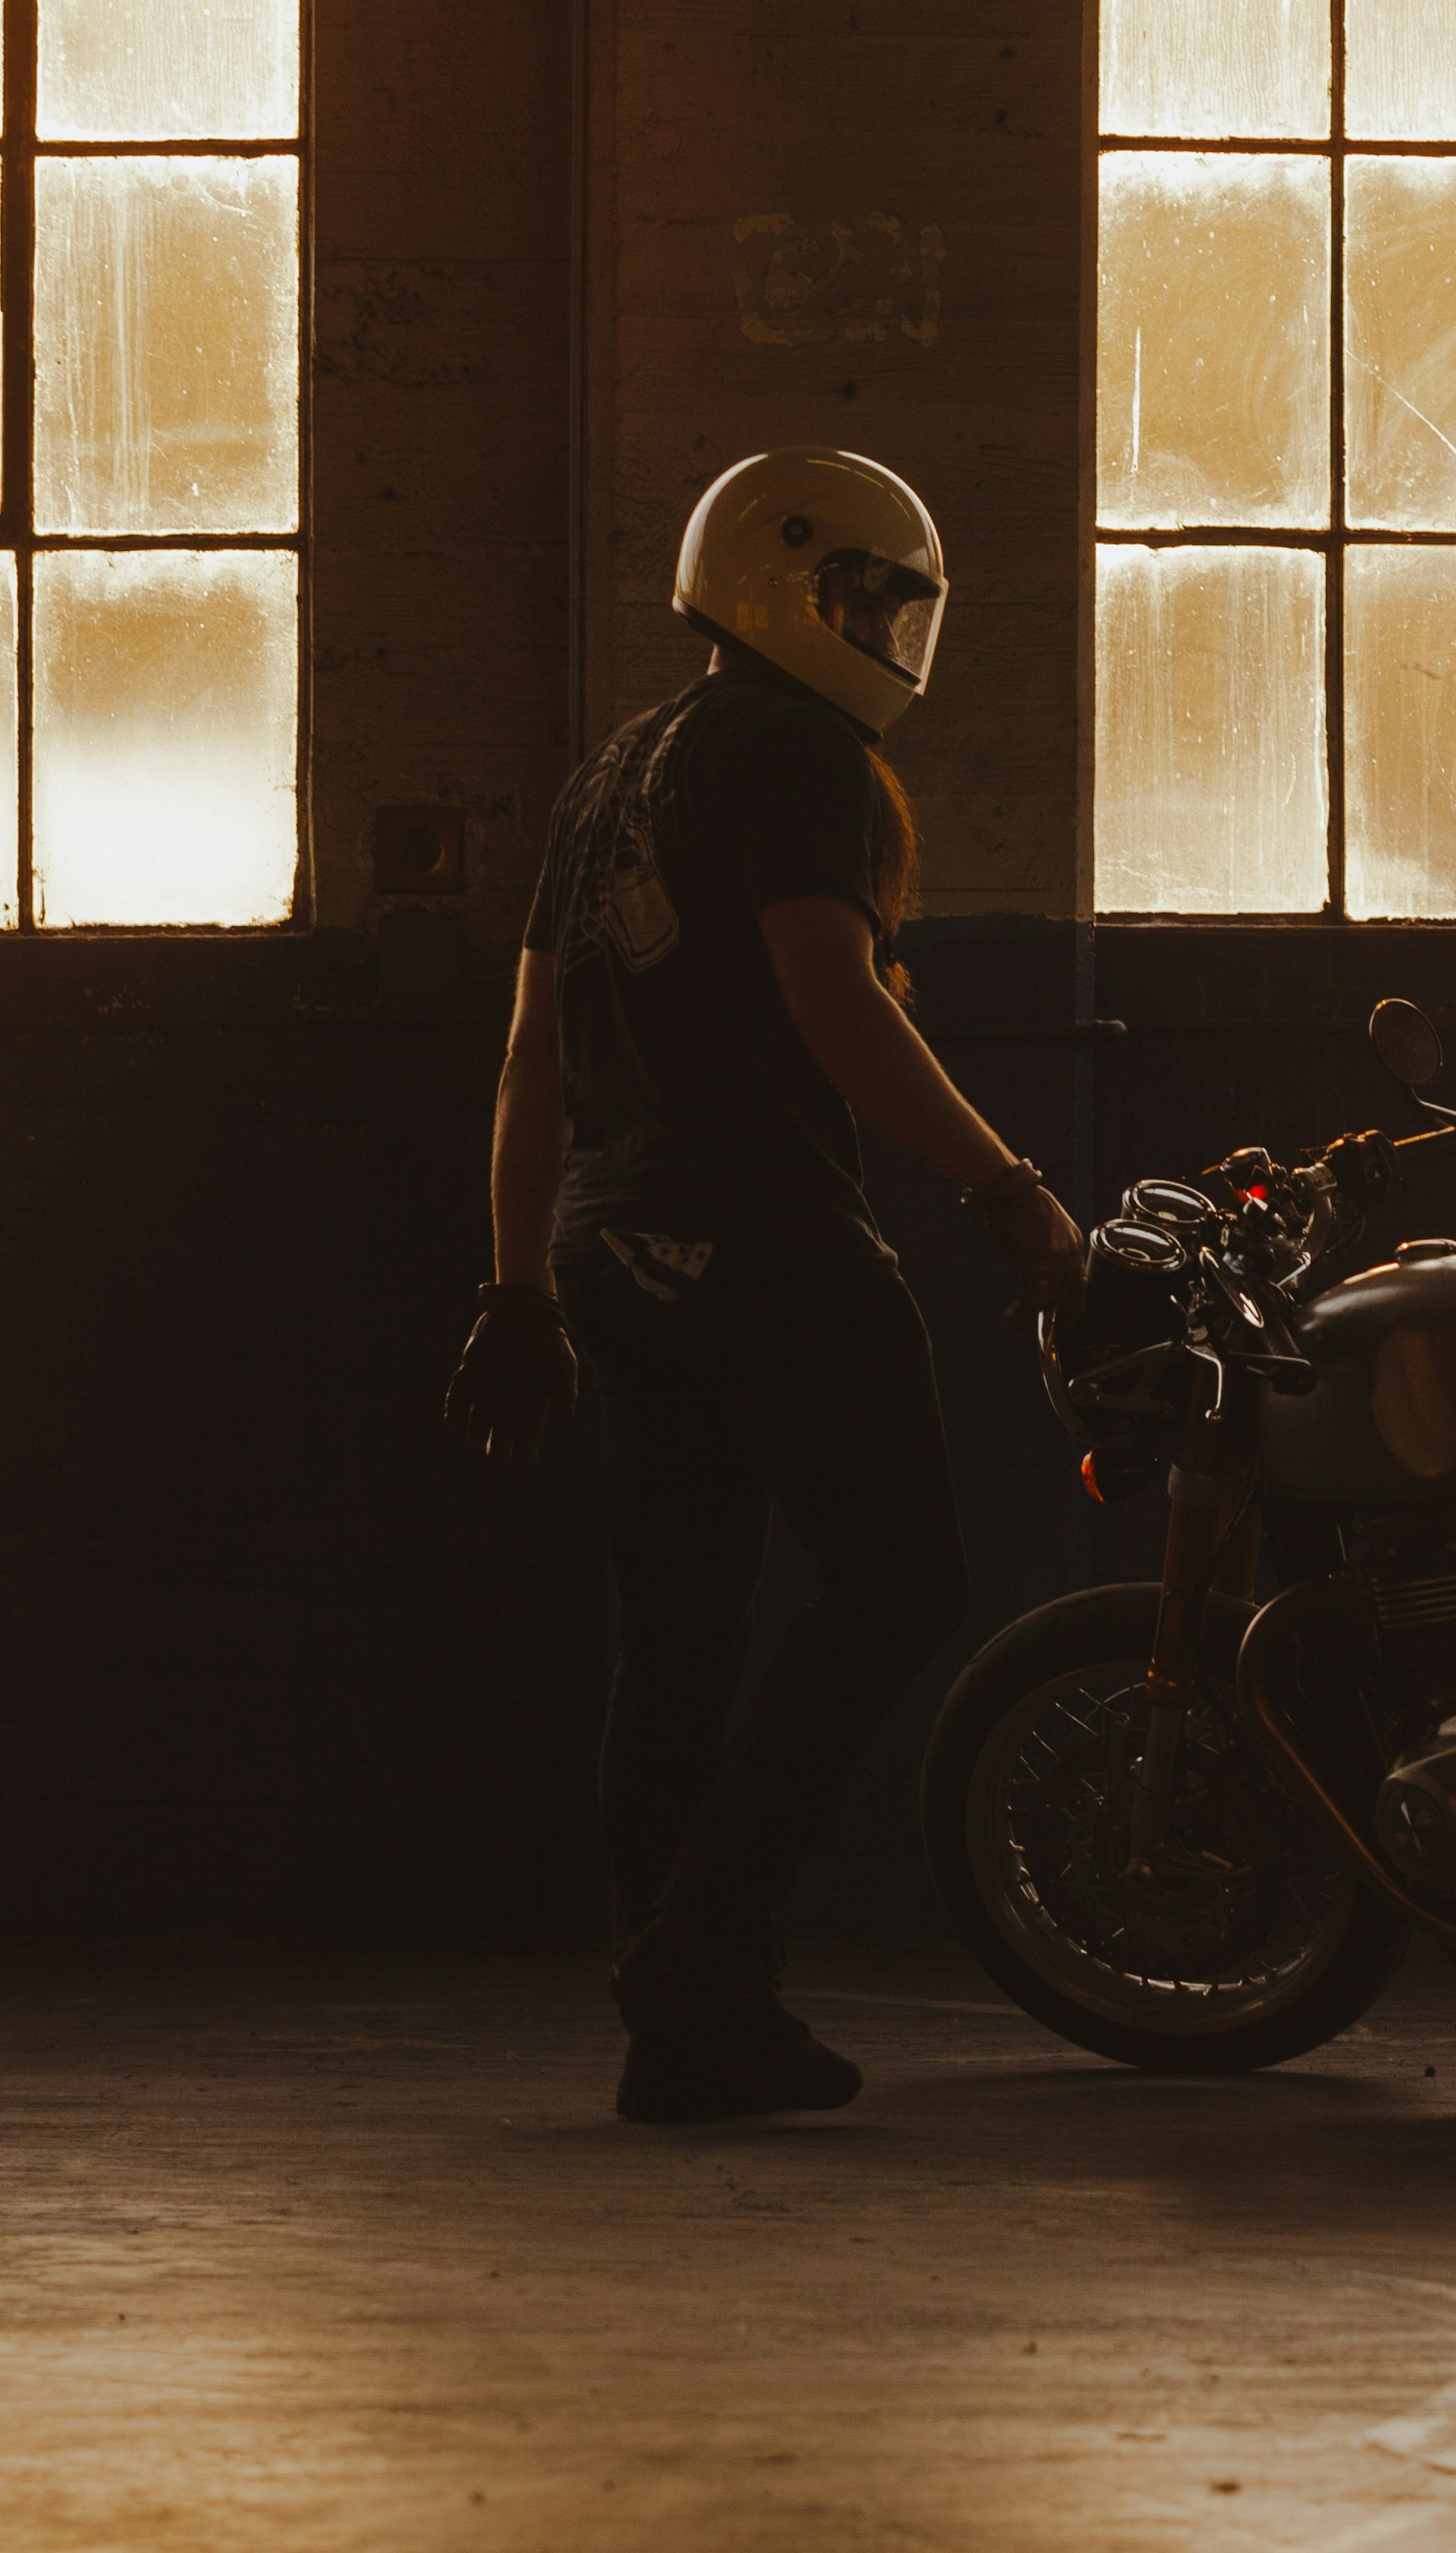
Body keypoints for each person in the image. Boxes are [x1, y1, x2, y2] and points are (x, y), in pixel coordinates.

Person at [445, 448, 1084, 2124]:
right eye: (866, 591)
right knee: (899, 1583)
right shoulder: (804, 752)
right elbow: (836, 997)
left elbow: (529, 1066)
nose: (885, 621)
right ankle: (697, 1950)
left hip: (614, 1244)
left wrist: (519, 1291)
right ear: (788, 589)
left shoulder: (611, 776)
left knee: (677, 1635)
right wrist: (1007, 1188)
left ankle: (691, 2020)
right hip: (768, 1242)